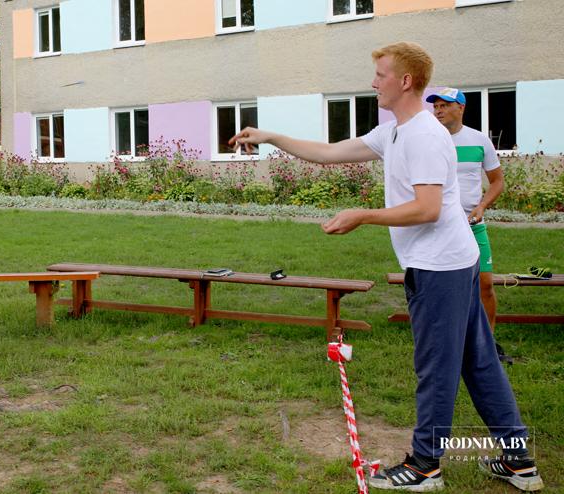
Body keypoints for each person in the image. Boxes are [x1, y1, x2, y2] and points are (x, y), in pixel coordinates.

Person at [230, 42, 542, 492]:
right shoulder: (395, 130)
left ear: (406, 81)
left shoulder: (424, 136)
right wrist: (271, 137)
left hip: (440, 267)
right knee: (479, 361)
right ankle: (518, 462)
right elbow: (329, 152)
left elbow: (428, 208)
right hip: (452, 261)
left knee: (437, 368)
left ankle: (425, 466)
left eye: (380, 75)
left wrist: (363, 215)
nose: (373, 82)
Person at [426, 87, 510, 362]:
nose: (438, 110)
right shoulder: (429, 141)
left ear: (460, 108)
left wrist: (482, 206)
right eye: (436, 106)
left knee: (485, 285)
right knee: (443, 288)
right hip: (440, 228)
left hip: (473, 225)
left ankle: (487, 345)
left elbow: (497, 181)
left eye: (444, 105)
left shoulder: (479, 140)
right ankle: (446, 342)